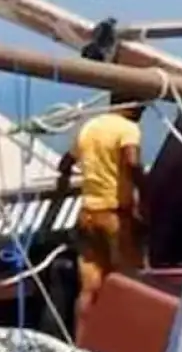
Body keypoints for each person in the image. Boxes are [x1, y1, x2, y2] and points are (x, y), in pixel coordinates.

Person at [60, 105, 145, 324]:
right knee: (130, 280)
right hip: (114, 215)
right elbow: (132, 161)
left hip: (88, 213)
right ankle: (127, 330)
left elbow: (65, 163)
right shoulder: (128, 128)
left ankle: (83, 339)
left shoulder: (89, 127)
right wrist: (144, 189)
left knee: (89, 286)